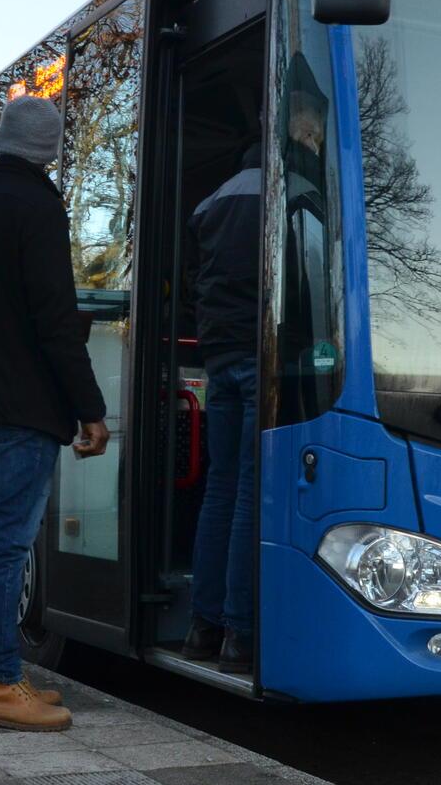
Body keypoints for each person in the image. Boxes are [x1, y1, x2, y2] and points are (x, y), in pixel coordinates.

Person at [0, 95, 110, 732]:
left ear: (2, 142)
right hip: (29, 404)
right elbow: (55, 322)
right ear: (49, 150)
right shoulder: (40, 208)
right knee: (6, 546)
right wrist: (91, 409)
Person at [181, 144, 262, 673]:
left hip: (219, 358)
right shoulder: (288, 193)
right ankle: (240, 632)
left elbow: (197, 285)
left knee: (221, 489)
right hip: (260, 357)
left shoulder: (208, 205)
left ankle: (202, 627)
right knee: (252, 494)